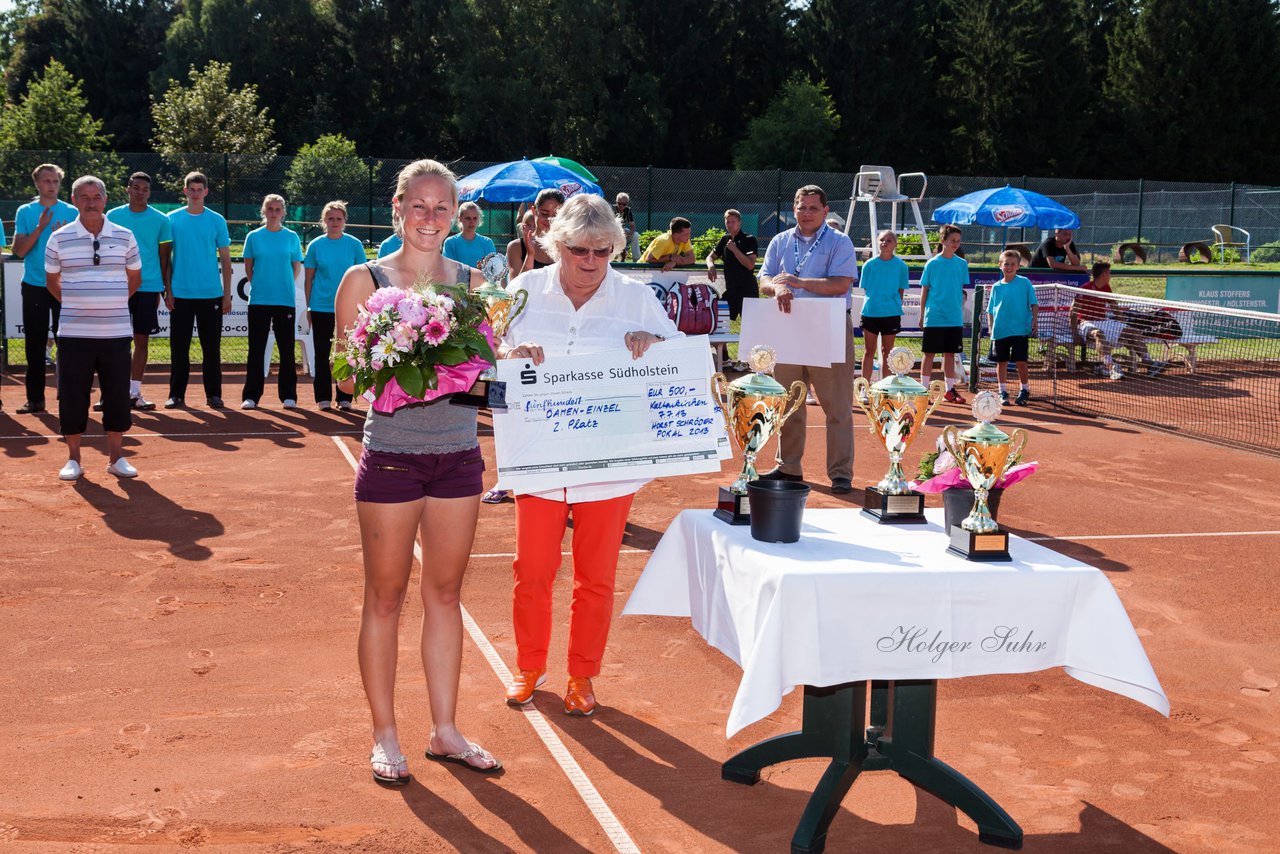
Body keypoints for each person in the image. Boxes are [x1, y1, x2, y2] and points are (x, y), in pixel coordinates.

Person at [332, 159, 497, 786]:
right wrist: (395, 349)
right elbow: (346, 382)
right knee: (385, 597)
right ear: (398, 207)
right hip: (393, 456)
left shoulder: (472, 281)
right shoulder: (362, 279)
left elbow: (485, 370)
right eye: (419, 206)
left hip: (458, 455)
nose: (430, 219)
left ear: (455, 215)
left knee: (447, 595)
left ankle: (445, 731)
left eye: (441, 208)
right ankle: (385, 736)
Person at [499, 193, 680, 716]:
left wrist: (653, 342)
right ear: (556, 245)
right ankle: (529, 665)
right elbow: (486, 352)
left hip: (608, 466)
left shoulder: (635, 296)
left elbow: (678, 365)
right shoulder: (525, 290)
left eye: (602, 251)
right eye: (579, 249)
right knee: (530, 571)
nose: (590, 261)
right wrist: (508, 353)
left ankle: (583, 675)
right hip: (538, 458)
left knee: (595, 578)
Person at [758, 185, 859, 494]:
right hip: (788, 325)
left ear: (825, 211)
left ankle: (840, 473)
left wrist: (798, 282)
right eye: (802, 207)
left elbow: (842, 283)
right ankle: (788, 466)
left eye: (814, 208)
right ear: (794, 208)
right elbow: (763, 278)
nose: (807, 213)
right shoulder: (780, 241)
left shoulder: (840, 241)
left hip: (827, 325)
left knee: (836, 405)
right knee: (789, 402)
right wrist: (776, 287)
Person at [44, 176, 142, 480]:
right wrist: (81, 303)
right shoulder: (58, 238)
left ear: (105, 199)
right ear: (74, 200)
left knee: (116, 396)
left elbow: (135, 278)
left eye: (96, 196)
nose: (90, 202)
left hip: (115, 333)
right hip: (74, 334)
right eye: (84, 197)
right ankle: (73, 459)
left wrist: (109, 301)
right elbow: (52, 282)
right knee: (72, 396)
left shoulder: (125, 235)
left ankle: (116, 458)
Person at [12, 163, 77, 414]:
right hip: (35, 286)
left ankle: (70, 397)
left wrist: (62, 236)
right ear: (37, 183)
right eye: (46, 180)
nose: (51, 185)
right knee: (35, 344)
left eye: (55, 181)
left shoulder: (71, 212)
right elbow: (19, 250)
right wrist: (40, 227)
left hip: (65, 286)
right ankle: (35, 400)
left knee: (70, 344)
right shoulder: (25, 211)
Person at [105, 172, 172, 412]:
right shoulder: (112, 216)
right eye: (136, 187)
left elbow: (165, 258)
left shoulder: (162, 220)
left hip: (149, 286)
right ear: (128, 189)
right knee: (113, 342)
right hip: (116, 287)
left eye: (144, 189)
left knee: (140, 339)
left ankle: (134, 393)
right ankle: (110, 394)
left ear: (149, 193)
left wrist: (166, 290)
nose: (140, 192)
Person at [165, 172, 232, 409]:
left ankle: (214, 395)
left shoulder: (217, 221)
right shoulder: (171, 219)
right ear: (185, 192)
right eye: (191, 189)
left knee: (211, 349)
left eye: (199, 189)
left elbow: (225, 259)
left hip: (210, 295)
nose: (195, 193)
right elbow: (167, 259)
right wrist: (168, 290)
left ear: (206, 191)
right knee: (179, 348)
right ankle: (176, 395)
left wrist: (226, 294)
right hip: (180, 294)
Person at [304, 200, 368, 410]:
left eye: (338, 218)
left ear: (344, 221)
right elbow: (309, 280)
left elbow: (362, 275)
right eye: (330, 218)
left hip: (349, 307)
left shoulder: (354, 244)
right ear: (324, 221)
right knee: (321, 353)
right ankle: (322, 398)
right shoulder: (315, 245)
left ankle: (344, 397)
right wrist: (308, 307)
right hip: (321, 307)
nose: (334, 222)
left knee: (346, 353)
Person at [241, 194, 303, 409]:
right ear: (264, 211)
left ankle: (288, 396)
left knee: (286, 349)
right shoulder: (253, 237)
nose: (274, 213)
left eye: (278, 209)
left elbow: (296, 266)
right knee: (256, 349)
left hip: (285, 300)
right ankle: (251, 395)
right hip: (258, 300)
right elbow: (249, 268)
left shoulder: (292, 237)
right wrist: (261, 285)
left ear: (284, 212)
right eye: (270, 209)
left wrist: (282, 284)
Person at [919, 223, 969, 404]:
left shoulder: (962, 264)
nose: (955, 243)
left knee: (950, 354)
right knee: (929, 353)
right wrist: (921, 314)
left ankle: (950, 390)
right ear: (943, 240)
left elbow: (960, 289)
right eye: (952, 240)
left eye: (958, 241)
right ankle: (923, 390)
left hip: (954, 318)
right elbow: (925, 291)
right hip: (934, 317)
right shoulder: (932, 264)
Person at [986, 250, 1038, 406]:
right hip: (1000, 331)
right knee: (1001, 362)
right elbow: (990, 310)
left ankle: (1025, 390)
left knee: (1021, 362)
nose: (1009, 267)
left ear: (1018, 267)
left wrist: (1034, 320)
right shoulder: (996, 287)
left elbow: (1034, 304)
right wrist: (990, 327)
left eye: (1012, 264)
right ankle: (1002, 391)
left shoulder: (1024, 283)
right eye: (1006, 264)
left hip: (1020, 330)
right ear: (1000, 266)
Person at [858, 230, 909, 388]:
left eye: (888, 240)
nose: (884, 243)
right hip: (870, 313)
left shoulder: (901, 266)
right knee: (869, 351)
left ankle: (885, 388)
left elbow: (901, 290)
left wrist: (891, 305)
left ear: (895, 244)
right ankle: (864, 388)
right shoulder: (869, 264)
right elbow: (866, 289)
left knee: (888, 351)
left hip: (891, 314)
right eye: (882, 240)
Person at [1070, 260, 1124, 380]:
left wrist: (1123, 325)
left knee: (1131, 332)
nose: (1110, 276)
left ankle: (1150, 363)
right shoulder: (1085, 289)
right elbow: (1073, 312)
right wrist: (1074, 333)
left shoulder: (1107, 288)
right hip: (1085, 323)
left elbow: (1115, 308)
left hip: (1103, 322)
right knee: (1098, 333)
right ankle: (1111, 367)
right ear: (1104, 274)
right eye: (1109, 273)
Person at [705, 208, 759, 323]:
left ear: (739, 222)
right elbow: (710, 257)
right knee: (718, 319)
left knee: (750, 324)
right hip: (731, 289)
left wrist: (734, 249)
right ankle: (721, 341)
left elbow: (750, 265)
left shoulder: (749, 239)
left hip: (747, 289)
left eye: (732, 221)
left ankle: (750, 341)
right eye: (727, 222)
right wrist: (711, 267)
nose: (730, 224)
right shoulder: (725, 239)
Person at [507, 189, 562, 276]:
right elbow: (516, 286)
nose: (550, 219)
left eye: (555, 215)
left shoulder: (567, 246)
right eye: (544, 214)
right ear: (534, 211)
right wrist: (530, 256)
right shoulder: (516, 247)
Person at [442, 201, 497, 269]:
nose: (472, 222)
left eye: (475, 218)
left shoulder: (487, 242)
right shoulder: (450, 242)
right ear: (460, 219)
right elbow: (448, 269)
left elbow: (493, 270)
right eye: (468, 218)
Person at [615, 192, 638, 260]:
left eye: (624, 204)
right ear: (616, 202)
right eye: (619, 203)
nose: (621, 205)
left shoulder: (628, 210)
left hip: (623, 230)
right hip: (612, 231)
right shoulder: (611, 209)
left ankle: (636, 259)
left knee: (635, 235)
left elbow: (632, 226)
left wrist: (629, 233)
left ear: (627, 204)